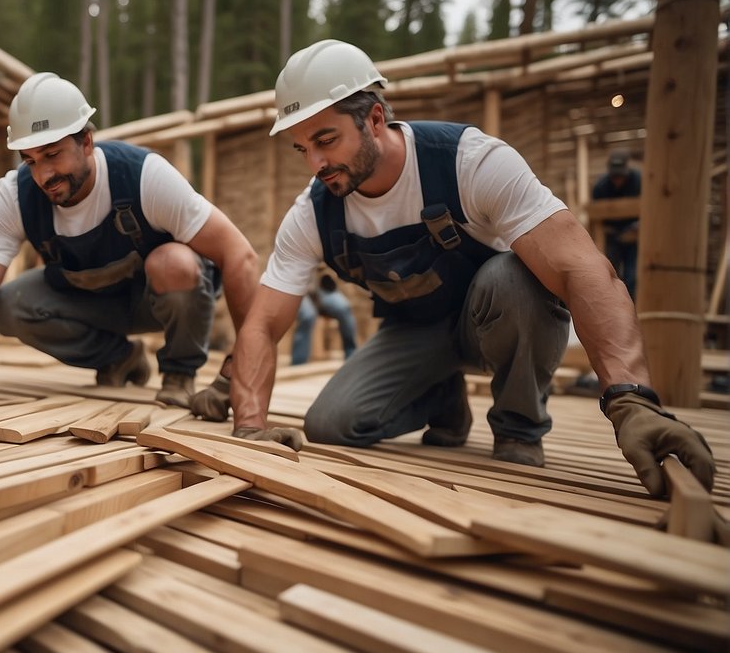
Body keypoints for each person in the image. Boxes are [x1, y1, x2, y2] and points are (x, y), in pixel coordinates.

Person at [215, 39, 714, 499]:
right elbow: (262, 322)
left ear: (373, 119)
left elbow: (583, 270)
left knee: (516, 277)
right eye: (304, 148)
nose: (316, 164)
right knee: (332, 423)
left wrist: (631, 399)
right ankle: (442, 400)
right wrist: (250, 427)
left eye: (326, 140)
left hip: (495, 319)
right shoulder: (313, 212)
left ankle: (518, 427)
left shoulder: (471, 163)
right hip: (415, 333)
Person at [0, 72, 258, 415]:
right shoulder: (14, 196)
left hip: (157, 301)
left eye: (52, 154)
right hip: (92, 305)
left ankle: (179, 372)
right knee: (11, 304)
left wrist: (241, 367)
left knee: (173, 261)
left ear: (86, 142)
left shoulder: (145, 176)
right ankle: (120, 358)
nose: (43, 176)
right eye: (31, 160)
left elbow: (239, 255)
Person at [591, 148, 641, 301]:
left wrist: (638, 225)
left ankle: (633, 308)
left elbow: (650, 209)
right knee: (612, 276)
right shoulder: (600, 187)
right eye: (614, 176)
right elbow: (595, 216)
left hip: (634, 236)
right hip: (612, 236)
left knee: (632, 277)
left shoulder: (639, 181)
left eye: (620, 177)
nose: (617, 180)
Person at [291, 273, 358, 364]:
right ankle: (299, 362)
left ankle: (351, 355)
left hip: (322, 289)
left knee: (343, 307)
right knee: (308, 315)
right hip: (298, 289)